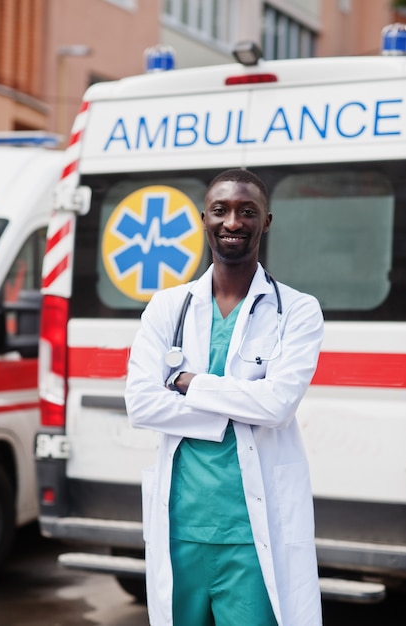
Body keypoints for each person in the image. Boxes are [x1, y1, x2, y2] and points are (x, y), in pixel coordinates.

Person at [125, 168, 324, 626]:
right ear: (203, 218)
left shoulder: (296, 310)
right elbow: (141, 404)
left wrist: (191, 383)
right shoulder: (167, 307)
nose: (233, 222)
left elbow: (277, 406)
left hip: (252, 536)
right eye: (221, 210)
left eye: (246, 211)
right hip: (181, 528)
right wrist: (233, 409)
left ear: (266, 221)